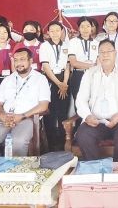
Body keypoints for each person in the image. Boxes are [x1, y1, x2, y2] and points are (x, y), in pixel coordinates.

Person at [75, 40, 118, 161]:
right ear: (98, 55)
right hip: (96, 121)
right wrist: (87, 116)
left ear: (115, 53)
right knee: (83, 134)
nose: (105, 55)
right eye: (102, 52)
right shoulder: (90, 74)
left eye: (108, 51)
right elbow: (81, 100)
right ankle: (96, 169)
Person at [0, 48, 51, 157]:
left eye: (22, 59)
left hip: (27, 119)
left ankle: (17, 171)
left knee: (18, 142)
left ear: (31, 61)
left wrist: (22, 116)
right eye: (15, 60)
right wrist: (2, 116)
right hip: (4, 119)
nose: (18, 63)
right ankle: (0, 166)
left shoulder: (40, 79)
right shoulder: (7, 80)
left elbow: (44, 105)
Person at [39, 21, 71, 152]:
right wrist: (58, 84)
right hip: (50, 80)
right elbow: (46, 67)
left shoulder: (67, 45)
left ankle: (64, 142)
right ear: (48, 33)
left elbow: (68, 65)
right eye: (52, 31)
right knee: (50, 113)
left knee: (63, 112)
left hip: (64, 79)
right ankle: (51, 144)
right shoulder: (44, 46)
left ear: (62, 31)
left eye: (57, 30)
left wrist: (65, 83)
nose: (55, 33)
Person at [68, 17, 100, 99]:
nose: (85, 29)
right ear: (78, 28)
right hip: (78, 75)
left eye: (88, 26)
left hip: (93, 75)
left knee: (93, 100)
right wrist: (93, 65)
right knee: (79, 101)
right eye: (82, 26)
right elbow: (74, 63)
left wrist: (94, 66)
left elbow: (99, 62)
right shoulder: (72, 42)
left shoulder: (97, 43)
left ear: (91, 28)